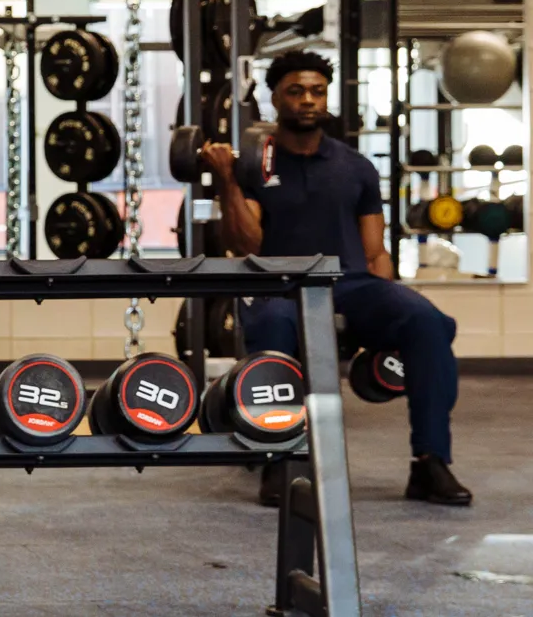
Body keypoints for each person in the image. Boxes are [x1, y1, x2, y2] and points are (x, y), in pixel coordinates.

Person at [200, 50, 470, 507]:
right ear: (275, 99)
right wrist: (227, 181)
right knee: (272, 326)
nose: (307, 99)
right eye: (295, 91)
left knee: (426, 321)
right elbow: (246, 245)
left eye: (316, 91)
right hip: (280, 285)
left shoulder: (356, 167)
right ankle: (278, 457)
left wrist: (388, 309)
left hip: (350, 284)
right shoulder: (256, 164)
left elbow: (375, 251)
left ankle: (430, 462)